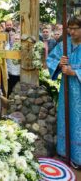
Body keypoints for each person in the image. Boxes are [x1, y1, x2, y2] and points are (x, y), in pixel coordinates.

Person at [47, 15, 81, 169]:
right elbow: (51, 59)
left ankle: (78, 157)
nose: (72, 32)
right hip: (66, 91)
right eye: (70, 28)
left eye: (75, 29)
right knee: (66, 117)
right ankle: (65, 152)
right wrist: (59, 64)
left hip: (79, 91)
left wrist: (74, 72)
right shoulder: (64, 44)